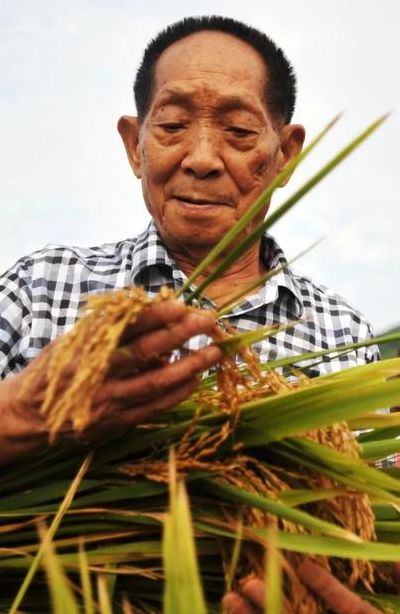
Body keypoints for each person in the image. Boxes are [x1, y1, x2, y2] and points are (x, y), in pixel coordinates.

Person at [0, 15, 378, 465]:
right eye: (173, 125)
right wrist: (20, 416)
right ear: (133, 145)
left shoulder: (342, 335)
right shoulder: (40, 289)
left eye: (238, 131)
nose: (201, 159)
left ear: (286, 155)